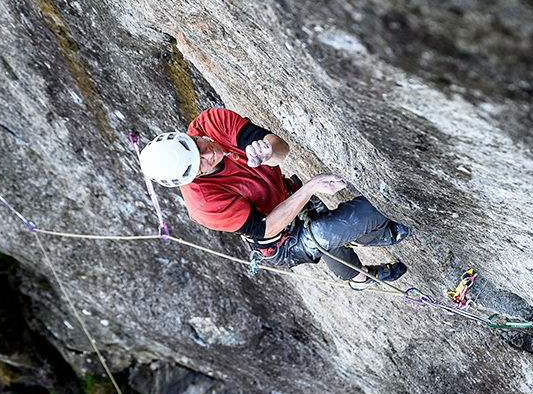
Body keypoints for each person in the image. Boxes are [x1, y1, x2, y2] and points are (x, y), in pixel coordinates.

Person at [139, 108, 409, 289]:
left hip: (287, 195)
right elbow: (266, 227)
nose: (210, 153)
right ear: (190, 178)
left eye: (198, 145)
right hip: (281, 241)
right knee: (330, 230)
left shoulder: (212, 122)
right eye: (201, 164)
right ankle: (361, 271)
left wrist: (269, 152)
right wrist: (310, 188)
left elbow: (281, 149)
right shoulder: (203, 204)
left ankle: (366, 241)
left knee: (330, 231)